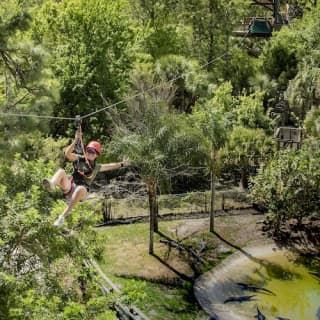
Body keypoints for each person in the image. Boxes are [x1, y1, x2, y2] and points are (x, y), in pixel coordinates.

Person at [42, 130, 129, 227]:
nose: (91, 154)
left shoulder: (96, 167)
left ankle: (62, 217)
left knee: (80, 188)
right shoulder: (79, 159)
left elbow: (110, 165)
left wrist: (122, 164)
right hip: (70, 187)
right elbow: (67, 154)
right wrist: (75, 141)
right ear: (86, 151)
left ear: (96, 155)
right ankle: (52, 185)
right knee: (61, 171)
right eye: (89, 151)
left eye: (93, 152)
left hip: (81, 193)